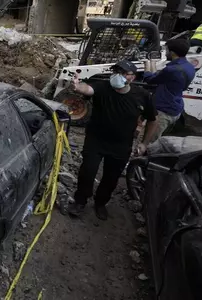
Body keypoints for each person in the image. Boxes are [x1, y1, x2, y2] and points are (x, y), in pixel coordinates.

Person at [67, 60, 158, 220]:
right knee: (87, 171)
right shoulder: (102, 87)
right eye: (116, 72)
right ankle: (80, 201)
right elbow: (87, 89)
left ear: (132, 77)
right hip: (96, 139)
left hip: (121, 145)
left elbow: (152, 120)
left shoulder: (142, 95)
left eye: (123, 73)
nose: (118, 76)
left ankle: (100, 203)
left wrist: (144, 143)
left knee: (111, 177)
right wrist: (77, 85)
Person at [143, 38, 195, 142]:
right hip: (176, 108)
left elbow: (150, 79)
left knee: (147, 141)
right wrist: (153, 63)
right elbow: (159, 80)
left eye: (166, 50)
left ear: (172, 52)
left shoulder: (171, 70)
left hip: (163, 111)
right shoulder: (189, 67)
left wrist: (146, 66)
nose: (165, 53)